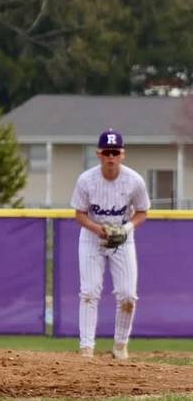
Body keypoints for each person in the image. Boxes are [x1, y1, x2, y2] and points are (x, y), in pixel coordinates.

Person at [70, 128, 150, 360]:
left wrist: (125, 229)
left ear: (123, 154)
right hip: (92, 237)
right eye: (107, 152)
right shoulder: (86, 180)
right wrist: (98, 229)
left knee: (127, 295)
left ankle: (120, 345)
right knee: (89, 292)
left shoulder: (134, 180)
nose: (111, 157)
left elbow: (142, 212)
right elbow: (79, 214)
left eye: (115, 152)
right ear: (99, 154)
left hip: (122, 238)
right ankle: (86, 348)